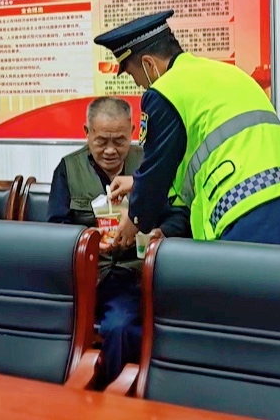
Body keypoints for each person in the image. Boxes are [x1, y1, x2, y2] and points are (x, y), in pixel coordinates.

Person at [94, 10, 280, 248]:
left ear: (148, 64)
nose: (139, 85)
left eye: (133, 76)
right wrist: (136, 182)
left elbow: (157, 166)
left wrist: (135, 220)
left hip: (245, 216)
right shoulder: (228, 73)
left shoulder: (166, 90)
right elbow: (209, 155)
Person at [48, 96, 191, 384]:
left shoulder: (150, 167)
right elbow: (55, 230)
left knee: (120, 327)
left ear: (133, 132)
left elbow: (179, 216)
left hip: (131, 274)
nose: (111, 150)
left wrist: (159, 233)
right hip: (84, 275)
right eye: (101, 141)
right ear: (87, 132)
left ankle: (114, 393)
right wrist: (89, 240)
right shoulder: (68, 169)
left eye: (120, 141)